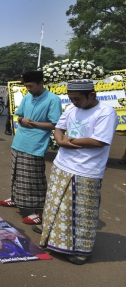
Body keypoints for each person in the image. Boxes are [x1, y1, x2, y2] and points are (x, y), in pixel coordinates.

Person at [39, 79, 118, 265]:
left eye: (77, 99)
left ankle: (81, 251)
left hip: (87, 169)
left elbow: (100, 141)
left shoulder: (106, 112)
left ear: (92, 95)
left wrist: (70, 142)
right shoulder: (71, 108)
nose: (74, 102)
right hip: (63, 164)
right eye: (71, 98)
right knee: (56, 205)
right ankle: (52, 238)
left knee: (83, 213)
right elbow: (59, 128)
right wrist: (60, 141)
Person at [0, 71, 62, 225]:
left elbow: (56, 124)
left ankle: (40, 210)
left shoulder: (53, 100)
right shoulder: (27, 97)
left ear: (41, 83)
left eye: (31, 86)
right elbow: (19, 116)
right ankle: (15, 198)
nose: (28, 89)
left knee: (34, 179)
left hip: (36, 144)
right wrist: (22, 120)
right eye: (26, 86)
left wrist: (34, 124)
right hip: (19, 141)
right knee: (16, 174)